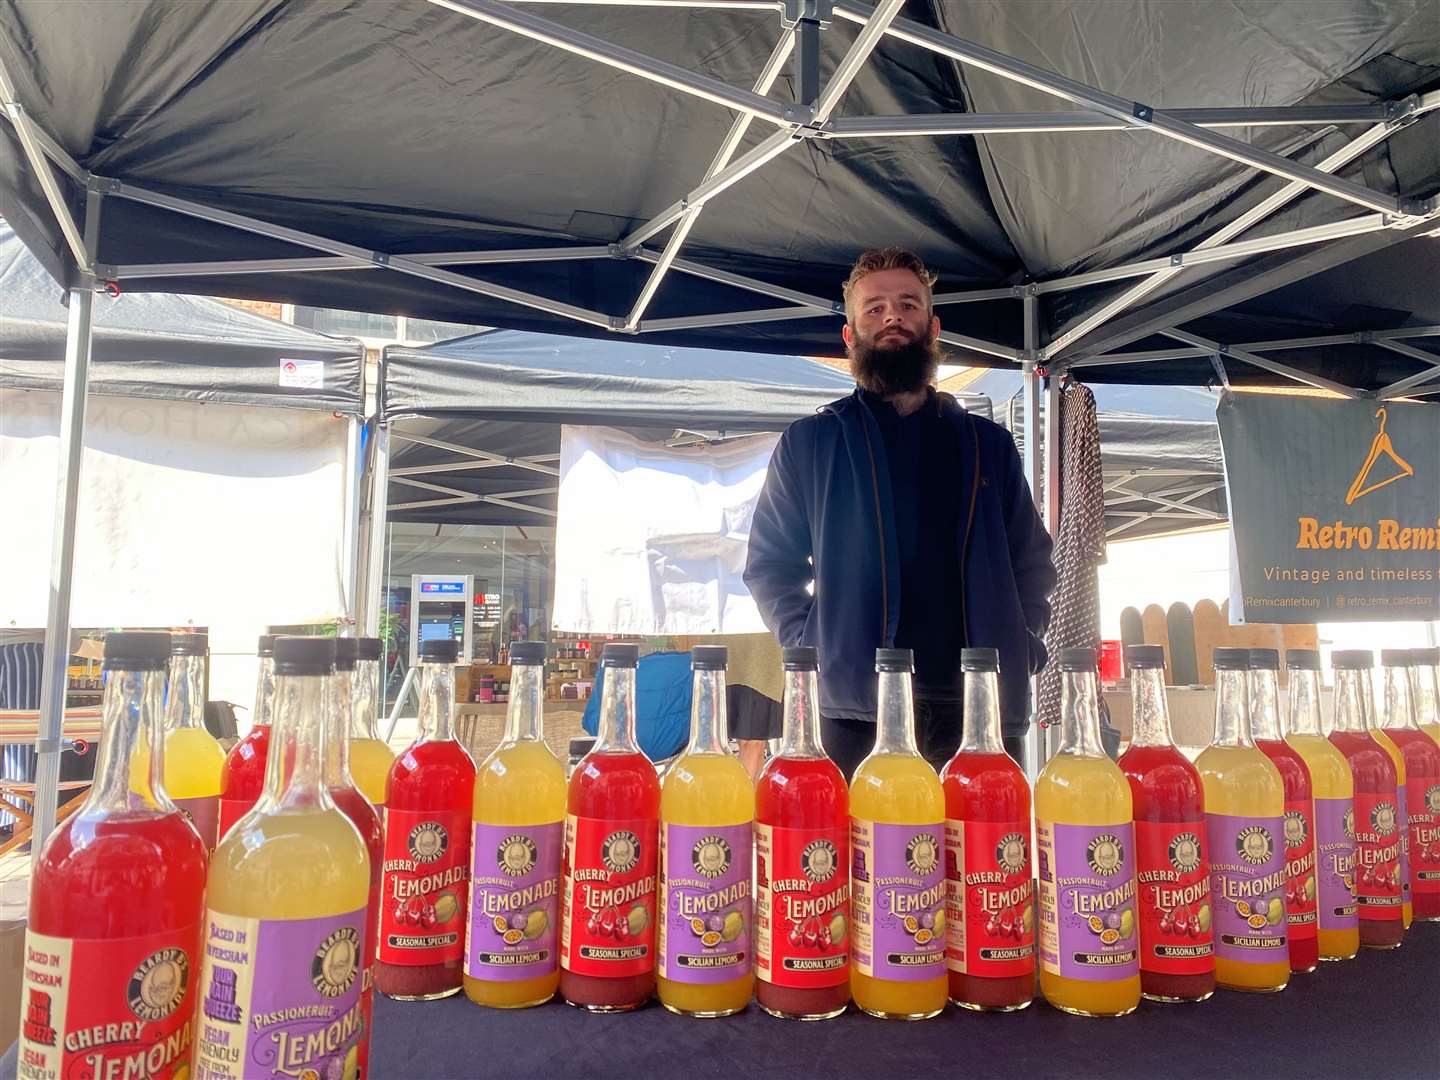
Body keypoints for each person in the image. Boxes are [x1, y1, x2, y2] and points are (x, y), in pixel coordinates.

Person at [744, 247, 1057, 778]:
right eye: (875, 307)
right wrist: (810, 644)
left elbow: (1032, 562)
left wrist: (1023, 643)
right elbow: (770, 565)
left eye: (909, 305)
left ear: (933, 328)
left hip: (980, 708)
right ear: (850, 335)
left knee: (984, 860)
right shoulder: (812, 444)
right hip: (853, 711)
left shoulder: (989, 445)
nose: (893, 316)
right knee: (858, 858)